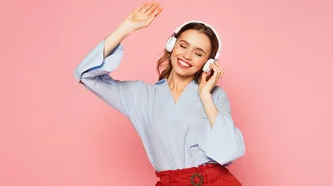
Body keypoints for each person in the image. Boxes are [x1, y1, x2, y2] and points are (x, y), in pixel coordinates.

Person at [73, 1, 245, 185]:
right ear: (172, 45)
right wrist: (126, 27)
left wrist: (205, 95)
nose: (187, 56)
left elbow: (228, 152)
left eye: (198, 53)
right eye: (183, 45)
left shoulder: (214, 95)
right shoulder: (139, 95)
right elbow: (85, 75)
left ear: (208, 62)